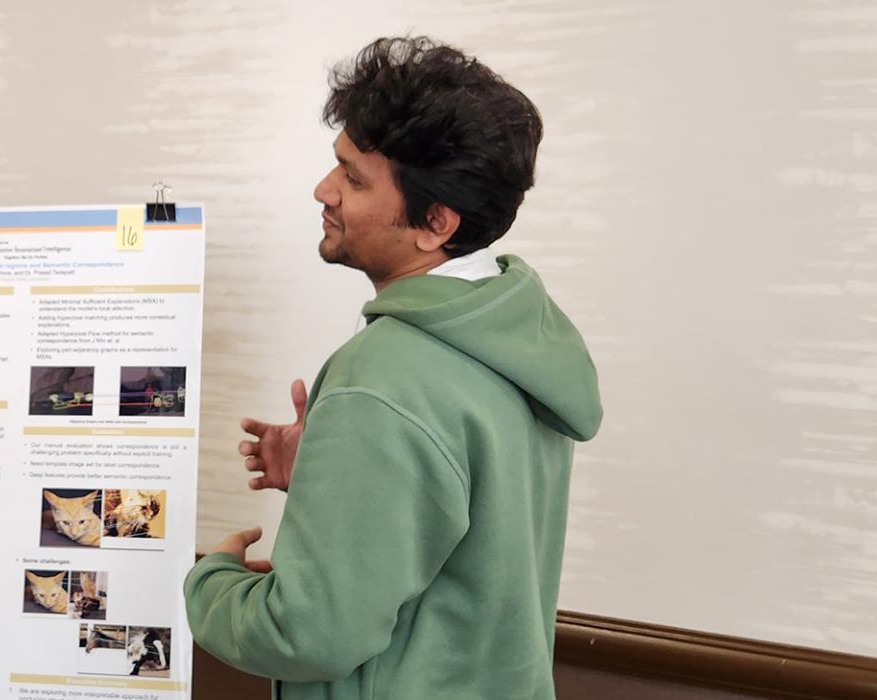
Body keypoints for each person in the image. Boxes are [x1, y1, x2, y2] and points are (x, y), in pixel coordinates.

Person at [184, 36, 603, 698]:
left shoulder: (381, 379)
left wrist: (213, 580)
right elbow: (464, 545)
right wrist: (335, 478)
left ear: (435, 222)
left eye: (353, 178)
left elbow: (307, 634)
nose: (324, 190)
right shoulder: (519, 344)